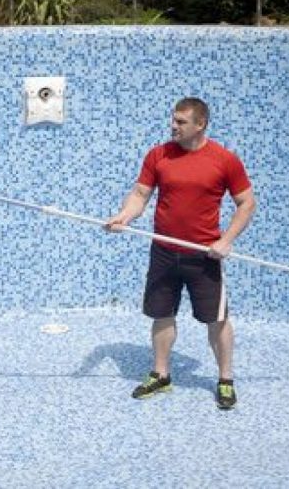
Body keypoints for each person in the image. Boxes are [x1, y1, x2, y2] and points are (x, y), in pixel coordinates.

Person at [105, 97, 256, 409]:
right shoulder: (158, 154)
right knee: (162, 313)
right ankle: (161, 374)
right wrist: (125, 216)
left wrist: (226, 240)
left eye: (181, 122)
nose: (173, 126)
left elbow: (246, 203)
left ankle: (225, 379)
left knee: (216, 319)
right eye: (173, 120)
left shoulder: (224, 160)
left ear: (200, 125)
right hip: (163, 250)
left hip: (204, 255)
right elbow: (140, 194)